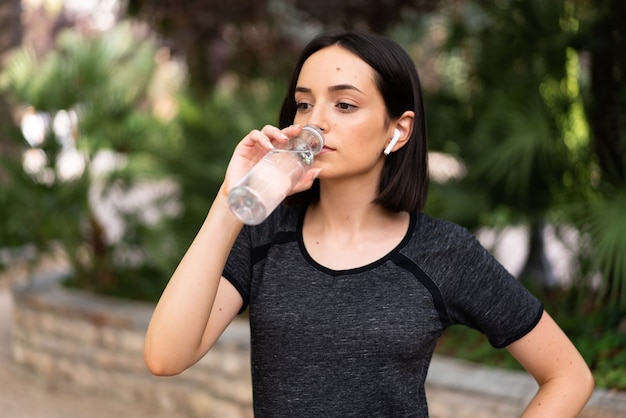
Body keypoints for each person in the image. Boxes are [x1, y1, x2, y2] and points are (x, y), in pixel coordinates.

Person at [144, 31, 594, 417]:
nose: (314, 121)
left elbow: (568, 376)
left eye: (344, 104)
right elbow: (165, 356)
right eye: (303, 104)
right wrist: (229, 200)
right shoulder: (265, 233)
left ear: (397, 130)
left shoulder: (443, 252)